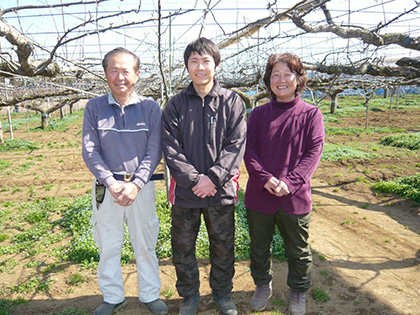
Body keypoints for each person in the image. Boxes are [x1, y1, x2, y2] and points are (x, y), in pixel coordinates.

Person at [161, 37, 247, 315]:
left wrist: (213, 178)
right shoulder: (175, 105)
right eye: (194, 62)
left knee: (222, 247)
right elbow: (170, 148)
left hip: (220, 192)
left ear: (216, 65)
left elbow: (236, 145)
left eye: (206, 61)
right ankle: (188, 296)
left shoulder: (231, 102)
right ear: (187, 66)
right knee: (183, 248)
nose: (200, 67)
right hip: (187, 193)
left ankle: (222, 294)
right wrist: (196, 180)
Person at [82, 47, 167, 315]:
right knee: (108, 244)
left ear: (137, 74)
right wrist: (111, 182)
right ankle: (112, 296)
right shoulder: (94, 107)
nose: (120, 76)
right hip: (108, 189)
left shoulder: (150, 108)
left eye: (126, 71)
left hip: (141, 187)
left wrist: (136, 183)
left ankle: (150, 294)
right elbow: (90, 150)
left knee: (145, 242)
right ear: (106, 74)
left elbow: (155, 149)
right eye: (114, 70)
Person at [244, 53, 325, 315]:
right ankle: (262, 286)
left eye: (287, 74)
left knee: (298, 250)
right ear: (269, 80)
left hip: (294, 197)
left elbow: (313, 153)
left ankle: (298, 291)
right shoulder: (257, 115)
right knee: (258, 246)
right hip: (261, 195)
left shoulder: (311, 114)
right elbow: (250, 151)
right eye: (275, 74)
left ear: (298, 79)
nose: (281, 80)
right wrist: (265, 178)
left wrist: (289, 183)